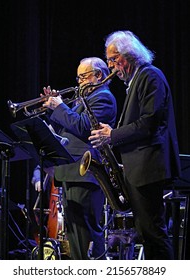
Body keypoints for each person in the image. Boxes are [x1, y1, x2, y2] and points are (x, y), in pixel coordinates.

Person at [88, 30, 181, 260]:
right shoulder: (137, 79)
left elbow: (149, 122)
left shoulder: (150, 76)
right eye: (109, 60)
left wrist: (113, 134)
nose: (111, 66)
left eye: (113, 59)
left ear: (128, 55)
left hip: (149, 168)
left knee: (154, 233)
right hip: (139, 168)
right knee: (146, 233)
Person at [32, 57, 117, 259]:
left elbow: (83, 128)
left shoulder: (103, 97)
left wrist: (60, 107)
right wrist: (52, 108)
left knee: (85, 233)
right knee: (76, 234)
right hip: (71, 171)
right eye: (78, 77)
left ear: (99, 75)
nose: (79, 82)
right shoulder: (84, 99)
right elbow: (67, 130)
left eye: (84, 76)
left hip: (85, 172)